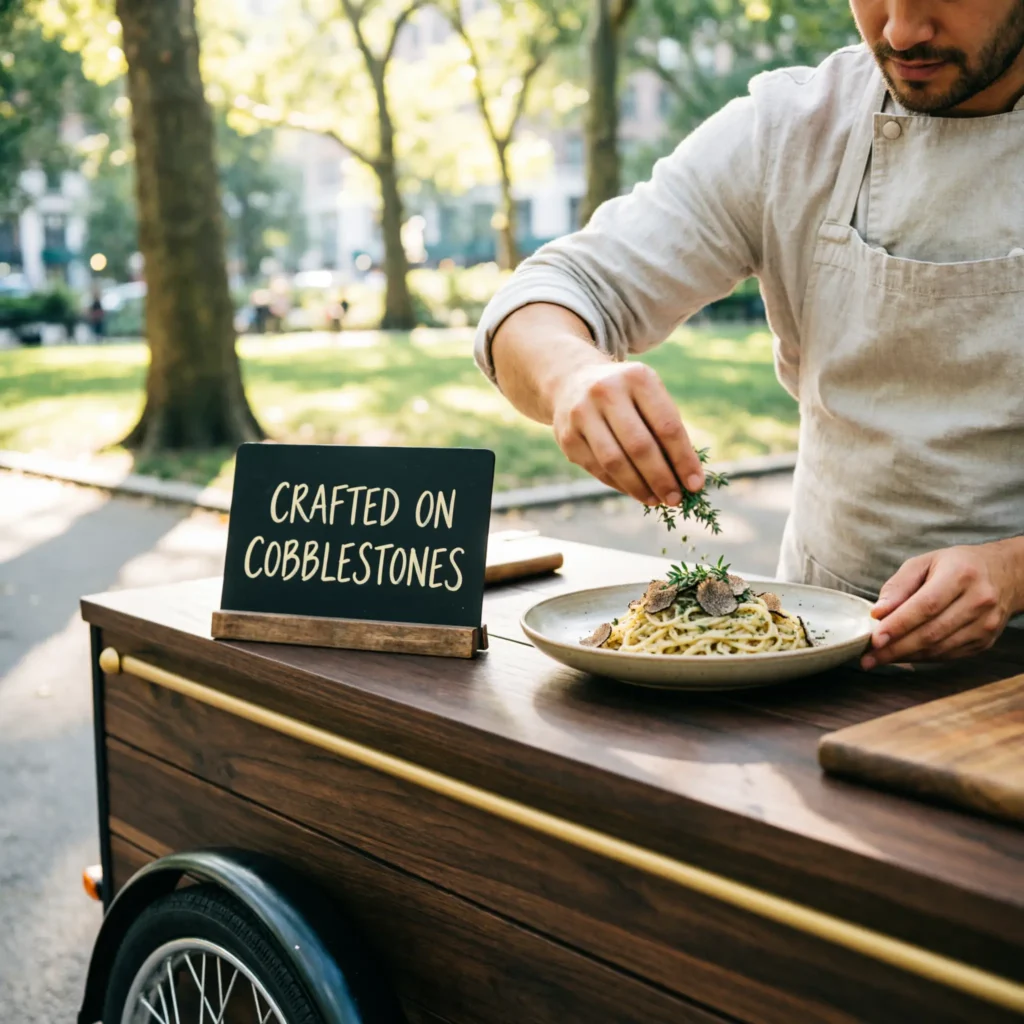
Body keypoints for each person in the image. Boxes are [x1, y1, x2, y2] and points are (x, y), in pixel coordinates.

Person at [474, 0, 1024, 670]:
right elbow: (543, 297)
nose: (900, 30)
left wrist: (1011, 570)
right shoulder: (791, 131)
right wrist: (572, 377)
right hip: (814, 652)